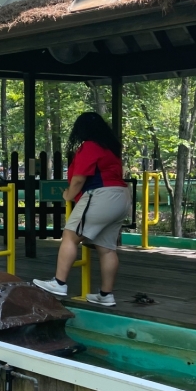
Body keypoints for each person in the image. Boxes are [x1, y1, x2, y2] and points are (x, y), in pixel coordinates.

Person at [33, 112, 131, 307]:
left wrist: (68, 195)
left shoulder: (90, 146)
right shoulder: (110, 148)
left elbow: (79, 178)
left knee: (70, 236)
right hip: (122, 197)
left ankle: (59, 283)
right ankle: (106, 294)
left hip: (101, 195)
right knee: (107, 248)